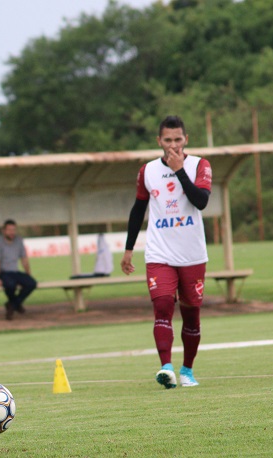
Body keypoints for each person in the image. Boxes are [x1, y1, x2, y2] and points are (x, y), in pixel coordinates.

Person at [120, 115, 212, 390]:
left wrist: (179, 170)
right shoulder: (147, 171)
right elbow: (138, 211)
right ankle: (166, 368)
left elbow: (201, 201)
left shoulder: (199, 165)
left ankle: (187, 370)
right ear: (159, 141)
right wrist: (128, 250)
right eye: (168, 140)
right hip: (159, 253)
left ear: (186, 140)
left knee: (192, 314)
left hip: (192, 254)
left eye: (178, 139)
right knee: (162, 306)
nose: (173, 145)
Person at [0, 219, 37, 320]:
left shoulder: (19, 240)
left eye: (14, 230)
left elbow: (24, 258)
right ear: (3, 231)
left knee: (32, 283)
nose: (12, 232)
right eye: (9, 230)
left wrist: (28, 273)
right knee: (10, 285)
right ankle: (16, 305)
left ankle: (12, 304)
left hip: (14, 272)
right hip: (2, 272)